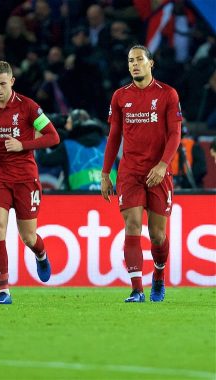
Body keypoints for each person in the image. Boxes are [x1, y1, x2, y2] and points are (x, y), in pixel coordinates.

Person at [101, 45, 182, 303]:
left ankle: (158, 275)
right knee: (132, 225)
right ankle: (137, 289)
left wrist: (162, 165)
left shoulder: (168, 94)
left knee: (157, 235)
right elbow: (114, 137)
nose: (134, 64)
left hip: (158, 173)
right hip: (130, 172)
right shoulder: (120, 96)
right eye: (130, 61)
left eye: (139, 60)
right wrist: (105, 173)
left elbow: (175, 135)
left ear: (151, 63)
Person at [0, 61, 60, 304]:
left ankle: (41, 255)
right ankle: (4, 291)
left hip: (24, 177)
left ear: (12, 81)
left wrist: (24, 145)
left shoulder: (28, 107)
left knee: (28, 237)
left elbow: (53, 137)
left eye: (2, 84)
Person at [37, 115, 116, 190]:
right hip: (110, 199)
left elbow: (44, 160)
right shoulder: (106, 144)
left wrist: (42, 138)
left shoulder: (68, 146)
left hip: (78, 200)